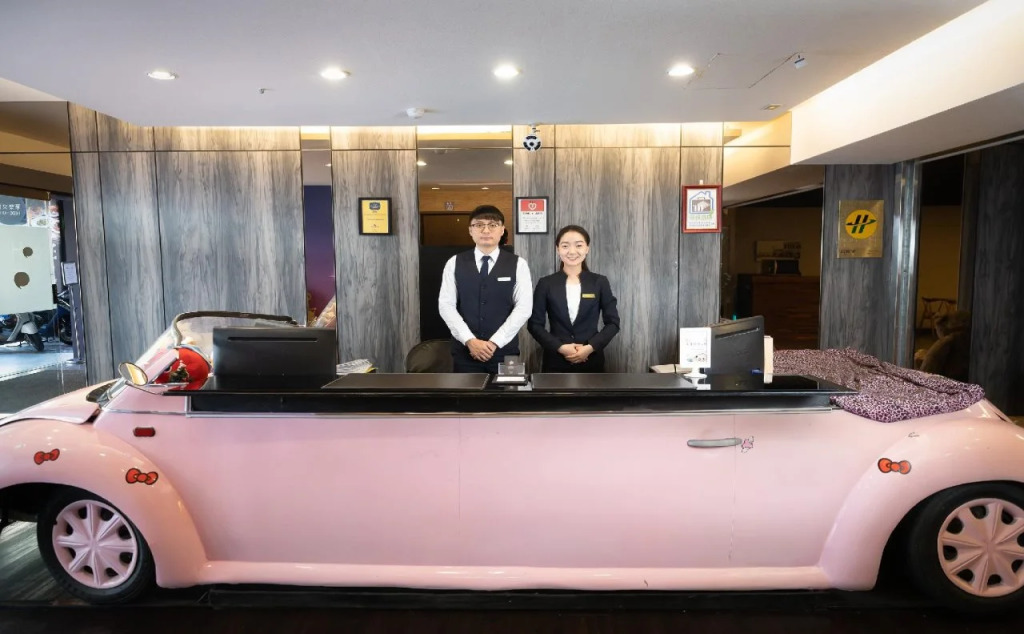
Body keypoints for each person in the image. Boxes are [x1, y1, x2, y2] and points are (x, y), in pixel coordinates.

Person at [438, 205, 532, 373]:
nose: (486, 230)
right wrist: (470, 340)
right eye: (479, 225)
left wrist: (495, 342)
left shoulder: (519, 264)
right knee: (466, 391)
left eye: (492, 225)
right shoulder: (454, 263)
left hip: (505, 352)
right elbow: (446, 305)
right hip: (466, 352)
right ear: (470, 230)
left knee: (508, 390)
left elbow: (524, 308)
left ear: (502, 230)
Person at [528, 225, 619, 372]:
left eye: (578, 245)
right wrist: (560, 347)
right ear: (558, 249)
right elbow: (534, 324)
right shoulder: (546, 283)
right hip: (556, 361)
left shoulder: (599, 282)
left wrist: (590, 347)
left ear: (587, 248)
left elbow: (613, 323)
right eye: (565, 246)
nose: (572, 251)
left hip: (591, 360)